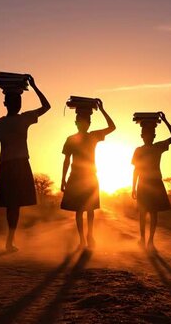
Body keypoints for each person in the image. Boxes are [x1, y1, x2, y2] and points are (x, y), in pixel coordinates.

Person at [0, 75, 50, 252]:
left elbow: (47, 106)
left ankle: (10, 240)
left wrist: (34, 85)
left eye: (19, 99)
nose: (18, 103)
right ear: (6, 103)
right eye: (14, 99)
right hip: (9, 166)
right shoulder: (0, 123)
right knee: (11, 206)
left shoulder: (24, 118)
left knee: (14, 206)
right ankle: (10, 240)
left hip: (18, 165)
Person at [60, 99, 115, 249]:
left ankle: (89, 236)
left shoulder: (93, 136)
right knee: (80, 210)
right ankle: (83, 239)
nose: (85, 123)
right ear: (76, 122)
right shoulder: (73, 139)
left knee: (89, 209)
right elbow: (66, 160)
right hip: (78, 177)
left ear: (89, 123)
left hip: (89, 177)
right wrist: (63, 179)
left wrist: (102, 109)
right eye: (81, 120)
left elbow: (112, 127)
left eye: (87, 120)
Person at [132, 112, 171, 251]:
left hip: (154, 184)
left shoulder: (158, 146)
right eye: (146, 134)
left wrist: (165, 120)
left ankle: (150, 240)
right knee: (143, 213)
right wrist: (133, 187)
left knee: (152, 213)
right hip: (144, 184)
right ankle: (143, 239)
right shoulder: (139, 150)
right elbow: (136, 170)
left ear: (154, 136)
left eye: (151, 134)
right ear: (142, 136)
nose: (148, 136)